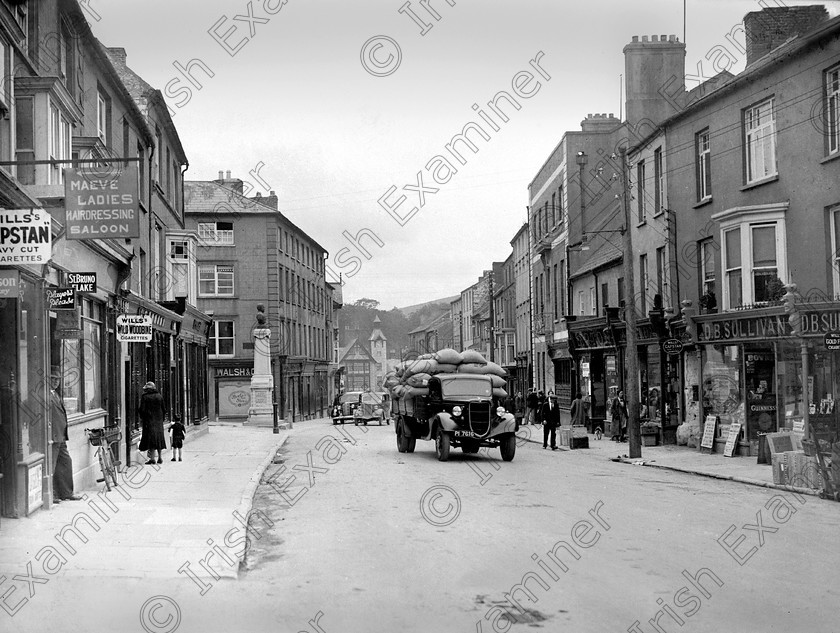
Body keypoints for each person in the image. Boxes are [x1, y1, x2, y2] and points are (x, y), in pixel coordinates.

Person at [50, 370, 82, 502]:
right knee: (51, 466)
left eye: (58, 379)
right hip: (53, 435)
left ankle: (66, 492)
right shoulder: (45, 395)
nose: (56, 381)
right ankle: (51, 495)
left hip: (61, 436)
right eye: (53, 379)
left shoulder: (55, 394)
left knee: (65, 462)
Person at [138, 381, 167, 464]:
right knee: (159, 439)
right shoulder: (159, 396)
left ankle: (152, 458)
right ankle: (160, 457)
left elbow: (142, 409)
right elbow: (164, 409)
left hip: (149, 421)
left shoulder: (145, 397)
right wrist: (161, 418)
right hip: (158, 421)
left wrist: (142, 417)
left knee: (151, 439)